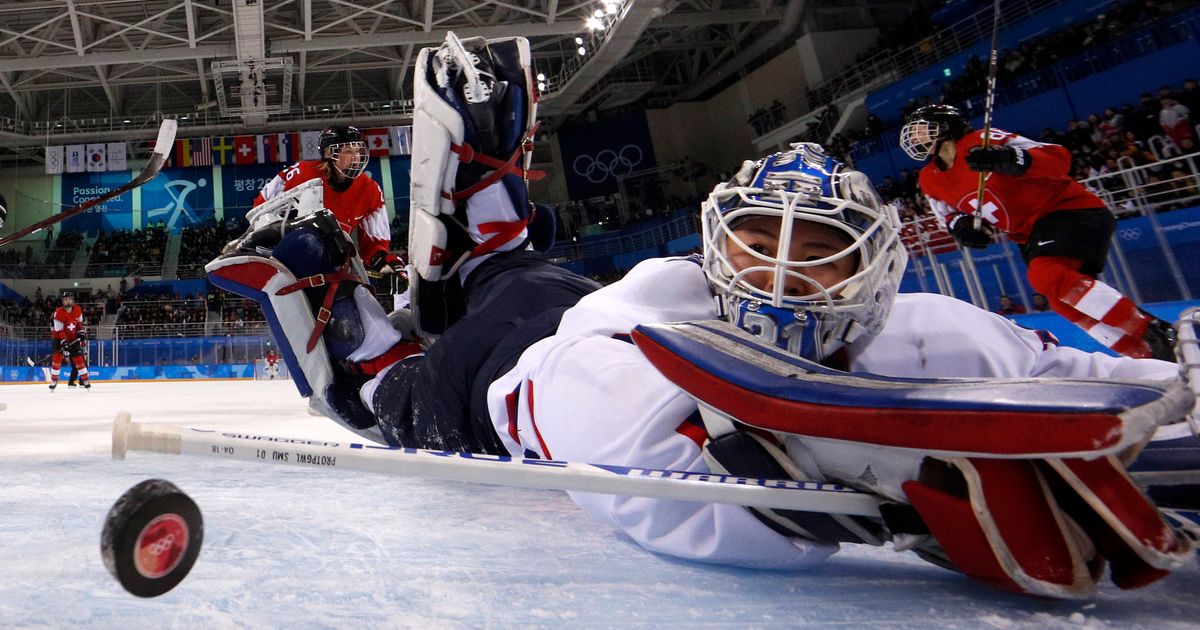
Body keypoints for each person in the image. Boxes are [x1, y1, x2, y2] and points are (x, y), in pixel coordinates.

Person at [207, 33, 1198, 600]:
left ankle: (483, 231)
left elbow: (1080, 383)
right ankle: (329, 290)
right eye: (763, 242)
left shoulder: (925, 330)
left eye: (812, 251)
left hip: (558, 299)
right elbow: (654, 493)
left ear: (872, 271)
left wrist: (1178, 390)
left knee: (514, 274)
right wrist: (879, 498)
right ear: (721, 247)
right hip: (507, 369)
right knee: (383, 399)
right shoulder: (639, 342)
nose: (777, 271)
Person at [898, 104, 1176, 361]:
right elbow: (946, 213)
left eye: (922, 126)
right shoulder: (929, 178)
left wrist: (1015, 158)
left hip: (1069, 210)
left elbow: (1058, 158)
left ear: (946, 126)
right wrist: (961, 227)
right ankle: (1148, 356)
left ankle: (1154, 330)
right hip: (1030, 234)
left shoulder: (984, 139)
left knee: (1046, 276)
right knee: (1063, 302)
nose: (915, 134)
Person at [252, 125, 402, 276]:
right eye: (348, 151)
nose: (355, 157)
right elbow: (260, 207)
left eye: (357, 150)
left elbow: (374, 245)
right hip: (290, 261)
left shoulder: (370, 190)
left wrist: (383, 263)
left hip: (332, 265)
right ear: (328, 153)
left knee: (363, 298)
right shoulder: (301, 173)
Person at [49, 291, 90, 390]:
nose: (68, 301)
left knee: (79, 359)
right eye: (65, 300)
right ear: (62, 302)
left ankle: (85, 381)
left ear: (72, 300)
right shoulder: (58, 312)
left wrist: (81, 332)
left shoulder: (78, 309)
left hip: (73, 337)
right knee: (57, 359)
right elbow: (59, 330)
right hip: (58, 338)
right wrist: (64, 341)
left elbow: (79, 324)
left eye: (69, 299)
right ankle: (54, 381)